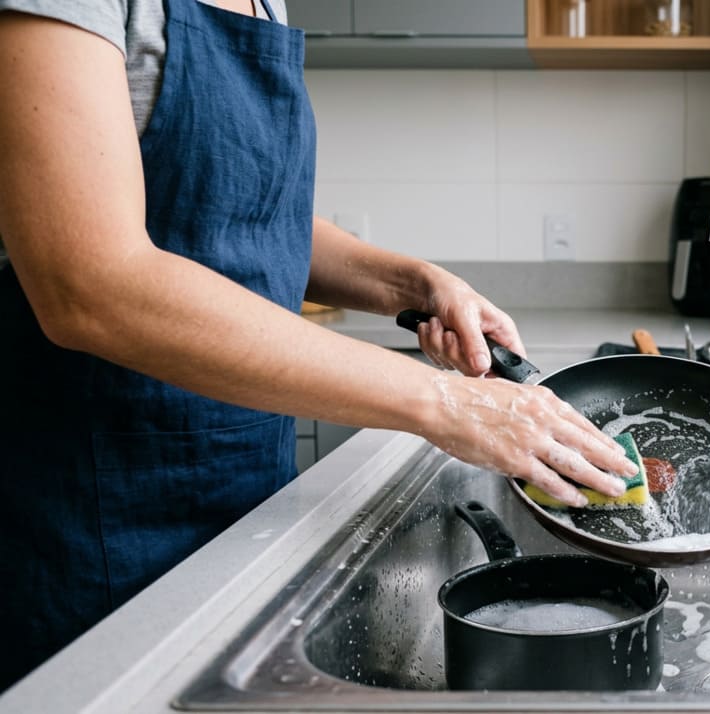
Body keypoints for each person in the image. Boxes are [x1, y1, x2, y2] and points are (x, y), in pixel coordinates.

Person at [0, 0, 637, 689]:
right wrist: (449, 403)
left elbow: (247, 221)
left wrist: (411, 283)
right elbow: (90, 285)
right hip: (89, 523)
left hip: (241, 509)